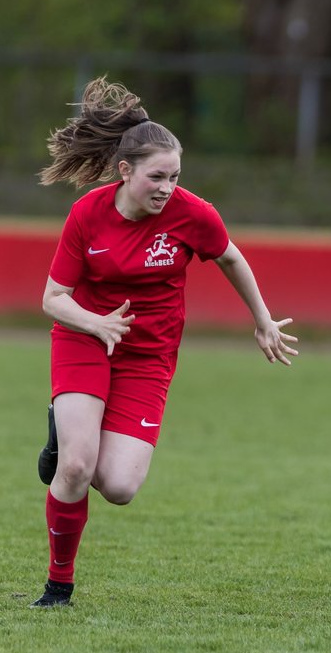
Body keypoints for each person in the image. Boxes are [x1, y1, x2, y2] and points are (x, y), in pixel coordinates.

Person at [31, 77, 298, 607]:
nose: (167, 188)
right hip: (85, 337)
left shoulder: (192, 214)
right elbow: (53, 298)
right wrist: (97, 323)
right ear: (125, 171)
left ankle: (66, 428)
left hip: (149, 354)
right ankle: (59, 584)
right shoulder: (88, 213)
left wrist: (263, 320)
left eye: (175, 177)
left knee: (120, 486)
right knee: (77, 467)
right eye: (157, 177)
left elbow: (231, 257)